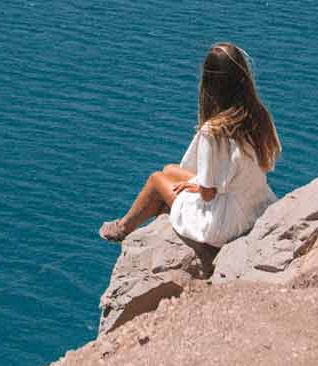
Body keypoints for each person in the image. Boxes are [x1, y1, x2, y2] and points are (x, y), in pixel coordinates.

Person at [98, 41, 280, 247]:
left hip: (227, 222)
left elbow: (209, 195)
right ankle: (160, 214)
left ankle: (122, 228)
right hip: (257, 203)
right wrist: (198, 184)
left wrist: (198, 187)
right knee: (170, 170)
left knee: (157, 179)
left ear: (210, 82)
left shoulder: (214, 131)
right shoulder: (259, 114)